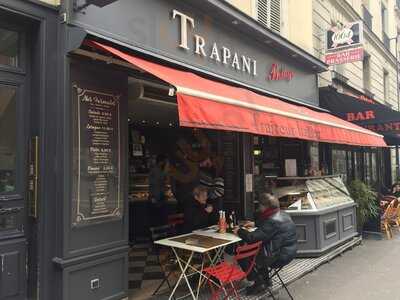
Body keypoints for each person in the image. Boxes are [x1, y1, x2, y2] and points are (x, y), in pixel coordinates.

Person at [233, 193, 297, 295]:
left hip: (278, 256)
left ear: (265, 206)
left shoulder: (272, 220)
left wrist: (239, 231)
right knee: (257, 250)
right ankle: (265, 280)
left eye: (260, 206)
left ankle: (259, 282)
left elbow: (252, 238)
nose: (259, 208)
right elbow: (268, 226)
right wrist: (255, 224)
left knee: (242, 255)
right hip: (289, 252)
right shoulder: (282, 214)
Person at [148, 154, 169, 225]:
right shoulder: (156, 170)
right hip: (157, 196)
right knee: (157, 217)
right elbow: (160, 180)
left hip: (157, 196)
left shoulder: (156, 169)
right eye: (165, 162)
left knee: (157, 217)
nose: (165, 164)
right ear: (161, 162)